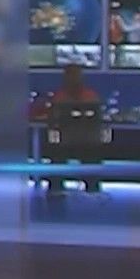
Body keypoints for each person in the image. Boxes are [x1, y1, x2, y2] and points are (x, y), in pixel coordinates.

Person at [40, 63, 102, 196]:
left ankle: (89, 188)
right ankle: (59, 188)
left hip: (79, 141)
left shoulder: (87, 96)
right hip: (73, 142)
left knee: (60, 151)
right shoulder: (62, 96)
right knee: (57, 152)